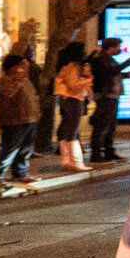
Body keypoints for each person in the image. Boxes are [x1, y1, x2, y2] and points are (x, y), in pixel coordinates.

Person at [0, 54, 40, 184]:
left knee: (26, 149)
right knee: (10, 148)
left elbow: (33, 99)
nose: (26, 67)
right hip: (13, 121)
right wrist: (17, 78)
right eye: (22, 64)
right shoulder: (3, 81)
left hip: (29, 119)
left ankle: (20, 173)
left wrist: (36, 114)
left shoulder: (26, 81)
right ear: (13, 67)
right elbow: (9, 92)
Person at [88, 38, 130, 163]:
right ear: (111, 47)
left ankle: (109, 151)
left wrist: (126, 75)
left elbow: (113, 73)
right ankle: (96, 154)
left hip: (113, 96)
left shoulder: (109, 59)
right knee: (102, 124)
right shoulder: (100, 59)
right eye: (118, 46)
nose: (119, 49)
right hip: (105, 96)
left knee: (111, 125)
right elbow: (108, 72)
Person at [52, 41, 91, 172]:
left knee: (68, 130)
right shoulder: (73, 67)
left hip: (71, 100)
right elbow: (73, 85)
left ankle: (67, 160)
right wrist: (87, 80)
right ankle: (76, 161)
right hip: (74, 100)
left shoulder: (67, 67)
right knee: (72, 131)